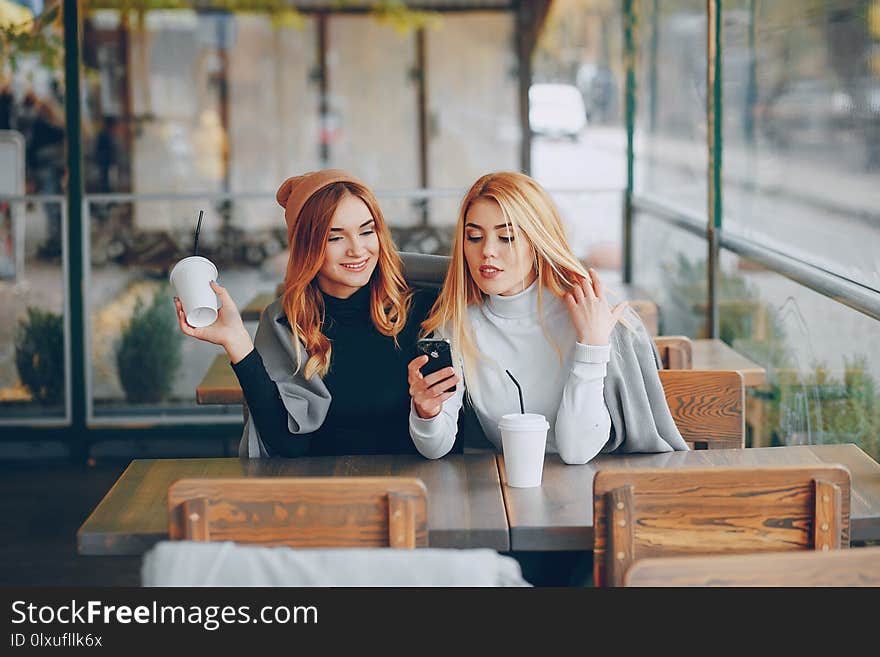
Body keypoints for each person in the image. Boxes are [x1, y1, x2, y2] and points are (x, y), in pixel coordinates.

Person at [407, 171, 688, 464]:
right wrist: (427, 412)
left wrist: (592, 347)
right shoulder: (456, 325)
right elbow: (435, 447)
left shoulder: (592, 314)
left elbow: (577, 451)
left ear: (538, 241)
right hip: (506, 495)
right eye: (474, 237)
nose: (487, 251)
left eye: (507, 237)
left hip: (600, 486)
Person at [175, 169, 449, 458]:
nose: (358, 250)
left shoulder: (425, 309)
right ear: (306, 247)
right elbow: (289, 447)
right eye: (335, 238)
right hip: (324, 493)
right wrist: (237, 343)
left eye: (367, 231)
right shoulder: (285, 325)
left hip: (418, 490)